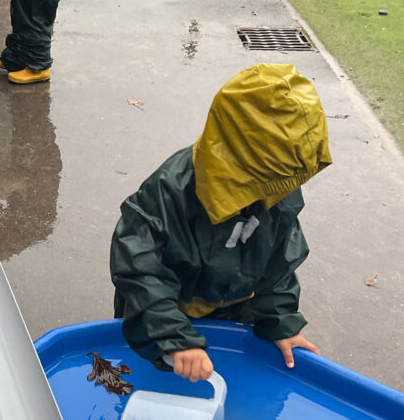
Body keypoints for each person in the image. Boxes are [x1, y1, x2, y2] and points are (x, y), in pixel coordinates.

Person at [110, 63, 333, 383]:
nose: (276, 193)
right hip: (166, 310)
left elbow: (279, 261)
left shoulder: (277, 191)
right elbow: (139, 267)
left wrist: (279, 322)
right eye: (267, 180)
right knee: (153, 379)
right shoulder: (170, 191)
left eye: (283, 182)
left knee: (235, 389)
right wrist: (173, 336)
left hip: (236, 308)